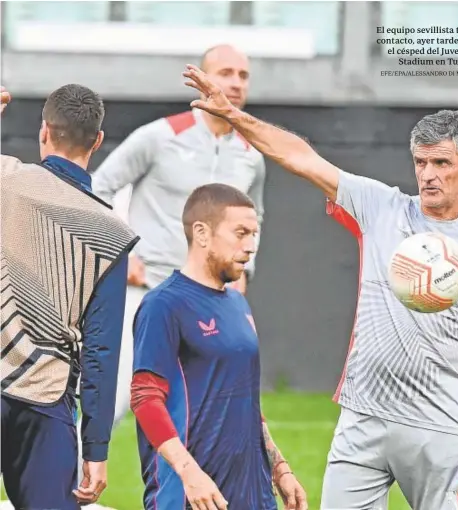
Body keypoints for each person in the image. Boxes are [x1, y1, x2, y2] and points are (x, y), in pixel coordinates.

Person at [183, 64, 458, 510]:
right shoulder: (380, 206)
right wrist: (235, 116)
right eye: (421, 162)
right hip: (364, 415)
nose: (429, 174)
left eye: (442, 163)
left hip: (438, 425)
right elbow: (300, 157)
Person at [90, 44, 266, 435]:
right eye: (224, 73)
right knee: (109, 403)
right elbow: (98, 188)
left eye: (242, 75)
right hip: (145, 293)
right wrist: (119, 253)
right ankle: (61, 492)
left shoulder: (251, 155)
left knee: (196, 418)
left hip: (207, 303)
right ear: (201, 79)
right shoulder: (160, 136)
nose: (235, 83)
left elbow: (257, 215)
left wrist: (244, 270)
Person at [0, 85, 139, 509]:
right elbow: (101, 350)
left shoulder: (7, 180)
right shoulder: (111, 233)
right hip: (46, 398)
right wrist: (95, 450)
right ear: (97, 141)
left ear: (44, 131)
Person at [129, 183, 306, 510]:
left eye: (254, 234)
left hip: (254, 495)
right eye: (240, 233)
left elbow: (247, 400)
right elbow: (145, 398)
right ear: (202, 233)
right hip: (191, 496)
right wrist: (189, 473)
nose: (251, 246)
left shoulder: (238, 304)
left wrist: (280, 468)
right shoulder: (163, 305)